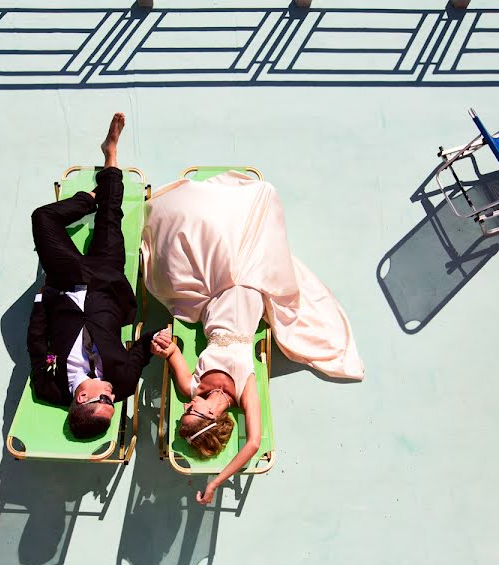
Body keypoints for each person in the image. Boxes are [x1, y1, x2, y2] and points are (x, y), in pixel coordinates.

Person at [144, 170, 364, 505]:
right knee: (263, 198)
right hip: (247, 288)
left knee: (187, 230)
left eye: (186, 409)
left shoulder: (193, 386)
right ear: (213, 417)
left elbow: (171, 350)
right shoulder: (244, 391)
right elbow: (253, 443)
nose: (187, 404)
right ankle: (227, 212)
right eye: (193, 411)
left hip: (210, 297)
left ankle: (208, 209)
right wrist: (216, 482)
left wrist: (162, 344)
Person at [27, 113, 154, 439]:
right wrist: (158, 341)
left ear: (81, 398)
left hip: (66, 282)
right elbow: (142, 350)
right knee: (111, 217)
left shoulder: (50, 384)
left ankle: (87, 201)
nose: (113, 393)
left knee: (42, 218)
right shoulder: (123, 383)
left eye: (105, 398)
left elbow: (39, 344)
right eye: (114, 401)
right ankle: (110, 154)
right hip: (108, 285)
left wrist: (43, 299)